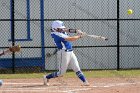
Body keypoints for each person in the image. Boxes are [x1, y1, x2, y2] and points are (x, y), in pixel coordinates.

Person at [43, 20, 89, 86]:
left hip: (70, 52)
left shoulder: (59, 30)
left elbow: (67, 30)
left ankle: (85, 82)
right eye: (60, 28)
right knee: (61, 73)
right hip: (63, 53)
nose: (62, 29)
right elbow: (71, 39)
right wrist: (80, 36)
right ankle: (46, 77)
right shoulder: (57, 34)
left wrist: (77, 31)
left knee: (76, 68)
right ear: (55, 28)